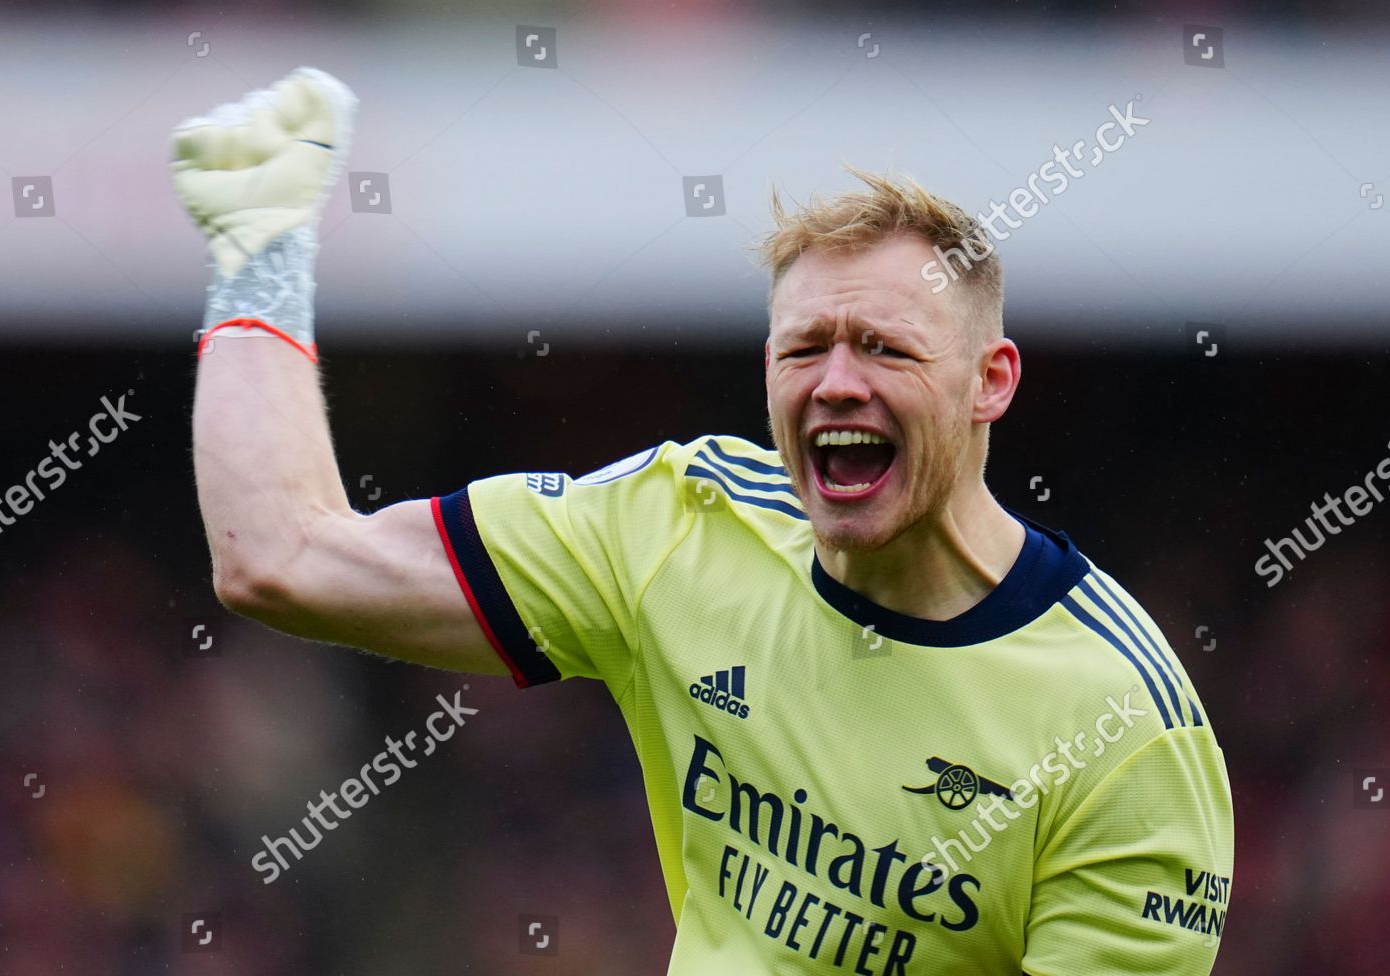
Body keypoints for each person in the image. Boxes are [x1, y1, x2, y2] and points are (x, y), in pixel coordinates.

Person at [174, 67, 1233, 975]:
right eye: (803, 347)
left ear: (990, 381)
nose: (837, 383)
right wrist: (258, 251)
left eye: (888, 348)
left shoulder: (1125, 735)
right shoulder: (680, 526)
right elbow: (283, 557)